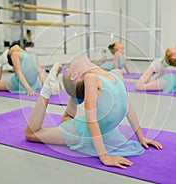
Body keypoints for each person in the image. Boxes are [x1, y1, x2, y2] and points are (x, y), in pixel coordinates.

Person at [25, 56, 163, 169]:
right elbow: (91, 120)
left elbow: (129, 108)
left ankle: (66, 93)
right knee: (30, 134)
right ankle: (46, 90)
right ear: (75, 75)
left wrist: (141, 137)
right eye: (71, 66)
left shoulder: (116, 73)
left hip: (90, 131)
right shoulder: (90, 78)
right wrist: (104, 157)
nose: (73, 62)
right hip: (86, 130)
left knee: (67, 120)